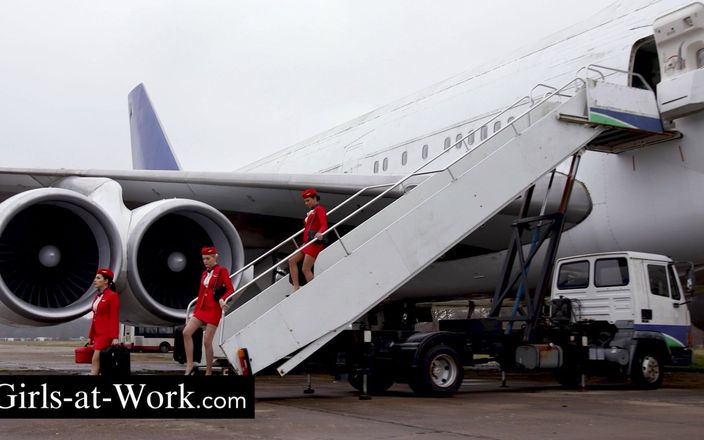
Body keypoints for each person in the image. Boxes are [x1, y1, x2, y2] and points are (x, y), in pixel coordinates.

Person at [182, 246, 235, 375]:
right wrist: (195, 312)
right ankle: (189, 365)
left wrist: (223, 299)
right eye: (203, 259)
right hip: (202, 308)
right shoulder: (204, 273)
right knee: (186, 332)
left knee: (207, 341)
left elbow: (230, 289)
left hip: (214, 309)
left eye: (208, 258)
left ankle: (209, 371)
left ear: (214, 257)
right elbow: (201, 294)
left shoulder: (221, 270)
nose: (205, 261)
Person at [289, 188, 328, 291]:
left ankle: (313, 290)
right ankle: (296, 288)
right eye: (305, 201)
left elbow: (324, 225)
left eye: (308, 200)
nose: (306, 203)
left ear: (315, 198)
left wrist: (320, 232)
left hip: (314, 242)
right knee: (291, 260)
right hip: (307, 242)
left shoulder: (319, 209)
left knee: (305, 268)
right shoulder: (313, 211)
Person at [87, 268, 120, 376]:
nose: (94, 280)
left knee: (95, 360)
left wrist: (115, 337)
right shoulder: (97, 296)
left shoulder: (112, 296)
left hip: (106, 334)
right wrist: (90, 336)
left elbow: (114, 317)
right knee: (100, 362)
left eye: (98, 278)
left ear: (106, 281)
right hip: (97, 334)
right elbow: (95, 317)